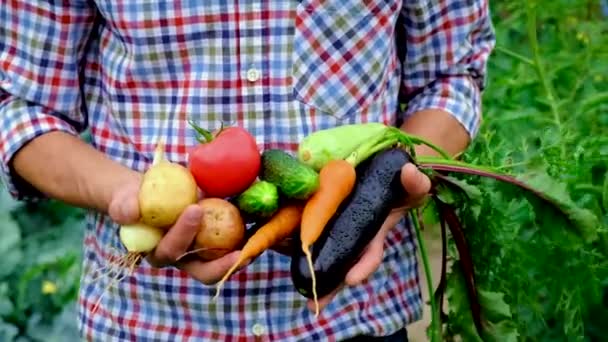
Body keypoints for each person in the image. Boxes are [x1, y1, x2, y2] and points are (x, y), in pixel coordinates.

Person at [0, 0, 495, 341]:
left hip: (354, 316)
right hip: (148, 319)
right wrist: (125, 195)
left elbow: (452, 75)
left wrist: (384, 192)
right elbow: (23, 107)